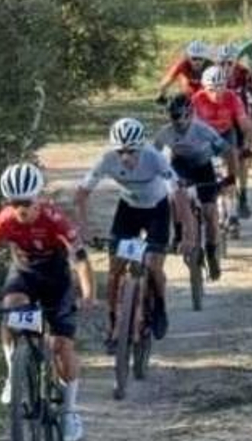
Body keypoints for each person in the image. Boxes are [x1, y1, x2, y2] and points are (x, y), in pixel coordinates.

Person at [0, 162, 96, 441]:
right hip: (24, 275)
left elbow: (81, 260)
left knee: (62, 347)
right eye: (14, 202)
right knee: (11, 305)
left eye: (27, 202)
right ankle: (15, 373)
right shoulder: (2, 221)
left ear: (39, 198)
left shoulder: (55, 219)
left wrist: (88, 295)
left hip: (57, 280)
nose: (21, 209)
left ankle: (70, 412)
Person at [75, 118, 188, 347]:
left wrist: (180, 232)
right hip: (128, 211)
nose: (126, 157)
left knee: (154, 266)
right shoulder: (107, 160)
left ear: (141, 147)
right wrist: (84, 227)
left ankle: (160, 307)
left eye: (132, 151)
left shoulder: (155, 158)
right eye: (120, 152)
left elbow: (177, 195)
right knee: (115, 270)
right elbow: (81, 193)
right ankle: (113, 324)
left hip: (157, 210)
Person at [153, 94, 238, 281]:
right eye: (172, 117)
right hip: (180, 166)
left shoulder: (203, 130)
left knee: (210, 213)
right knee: (174, 196)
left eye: (180, 116)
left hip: (203, 168)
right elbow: (153, 158)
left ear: (190, 114)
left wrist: (231, 177)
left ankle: (211, 252)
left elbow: (229, 151)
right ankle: (177, 235)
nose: (176, 122)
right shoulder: (164, 133)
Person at [190, 66, 252, 223]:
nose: (217, 93)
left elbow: (245, 125)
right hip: (205, 136)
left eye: (221, 87)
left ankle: (232, 207)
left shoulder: (232, 98)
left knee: (232, 159)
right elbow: (189, 128)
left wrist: (247, 144)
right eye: (212, 89)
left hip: (226, 133)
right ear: (204, 87)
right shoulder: (196, 99)